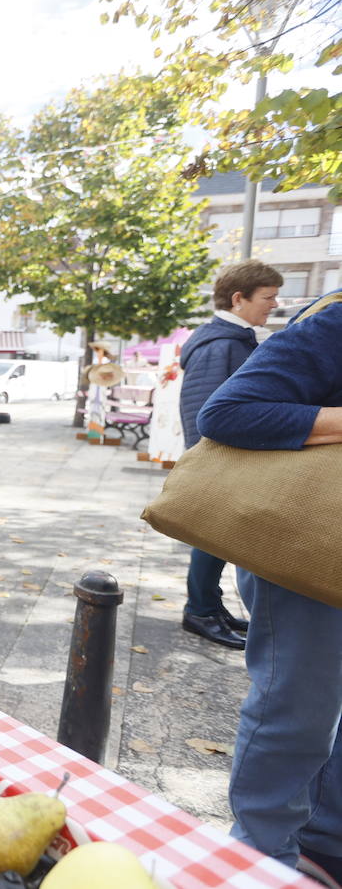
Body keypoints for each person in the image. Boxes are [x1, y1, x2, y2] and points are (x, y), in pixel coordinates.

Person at [197, 290, 342, 885]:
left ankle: (323, 843)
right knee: (297, 705)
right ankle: (259, 859)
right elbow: (223, 413)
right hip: (308, 541)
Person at [176, 260, 282, 650]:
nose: (274, 304)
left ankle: (209, 606)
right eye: (267, 297)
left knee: (219, 537)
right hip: (222, 457)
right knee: (213, 536)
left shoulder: (233, 340)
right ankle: (200, 610)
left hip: (229, 456)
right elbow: (205, 413)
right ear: (239, 299)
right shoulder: (221, 344)